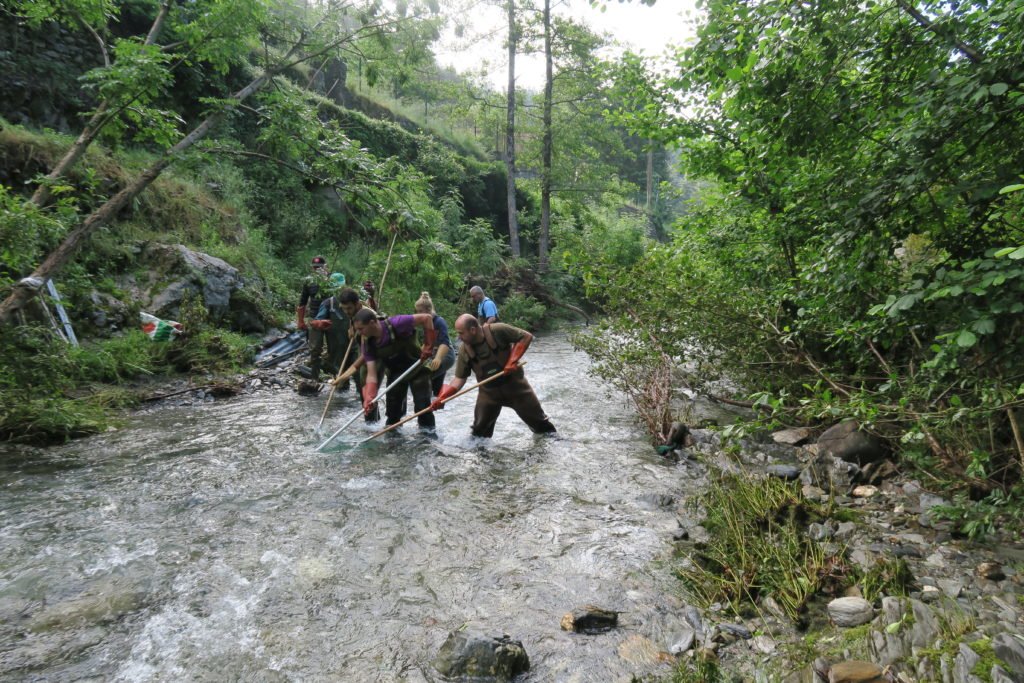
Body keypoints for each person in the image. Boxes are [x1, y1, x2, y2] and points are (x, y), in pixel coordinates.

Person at [431, 315, 555, 438]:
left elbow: (526, 337)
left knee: (544, 429)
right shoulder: (464, 350)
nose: (459, 337)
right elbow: (459, 379)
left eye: (461, 333)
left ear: (473, 330)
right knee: (478, 436)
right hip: (488, 396)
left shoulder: (498, 330)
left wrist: (512, 361)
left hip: (518, 391)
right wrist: (442, 398)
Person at [343, 308, 437, 429]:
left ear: (372, 323)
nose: (360, 333)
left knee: (423, 407)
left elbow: (426, 318)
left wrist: (429, 345)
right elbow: (371, 374)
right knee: (392, 414)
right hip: (395, 373)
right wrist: (369, 398)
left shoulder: (398, 323)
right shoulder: (367, 344)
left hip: (418, 368)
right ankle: (393, 442)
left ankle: (427, 438)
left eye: (361, 329)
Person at [309, 274, 358, 388]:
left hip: (355, 345)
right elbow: (315, 323)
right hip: (337, 349)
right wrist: (319, 323)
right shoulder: (328, 303)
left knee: (359, 378)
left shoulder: (354, 301)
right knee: (341, 383)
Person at [414, 291, 455, 396]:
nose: (418, 314)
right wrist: (418, 356)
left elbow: (445, 343)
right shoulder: (426, 323)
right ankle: (438, 402)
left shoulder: (439, 322)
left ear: (428, 310)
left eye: (420, 311)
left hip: (446, 355)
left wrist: (438, 358)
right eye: (417, 311)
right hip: (433, 354)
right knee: (436, 388)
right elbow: (427, 343)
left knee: (425, 375)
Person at [296, 255, 332, 379]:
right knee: (315, 350)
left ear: (325, 267)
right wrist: (300, 321)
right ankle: (314, 378)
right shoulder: (309, 282)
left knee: (336, 349)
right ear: (313, 268)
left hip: (331, 319)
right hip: (314, 319)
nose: (318, 270)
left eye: (320, 267)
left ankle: (340, 379)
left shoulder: (333, 279)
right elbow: (302, 302)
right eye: (316, 268)